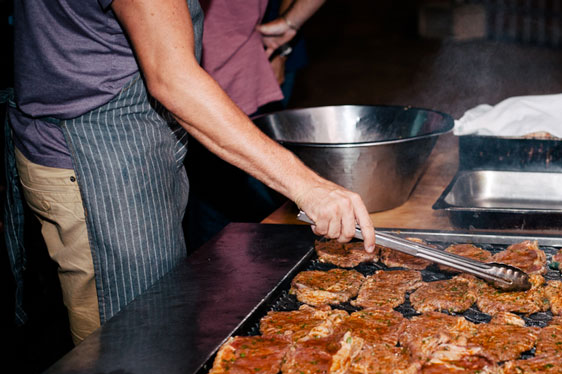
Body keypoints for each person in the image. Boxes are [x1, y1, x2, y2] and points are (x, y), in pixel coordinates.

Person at [5, 0, 375, 345]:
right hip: (96, 167)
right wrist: (309, 186)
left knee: (158, 329)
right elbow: (173, 79)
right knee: (134, 346)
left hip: (122, 152)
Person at [182, 0, 327, 253]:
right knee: (211, 199)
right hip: (195, 83)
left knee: (235, 201)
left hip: (242, 70)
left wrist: (287, 32)